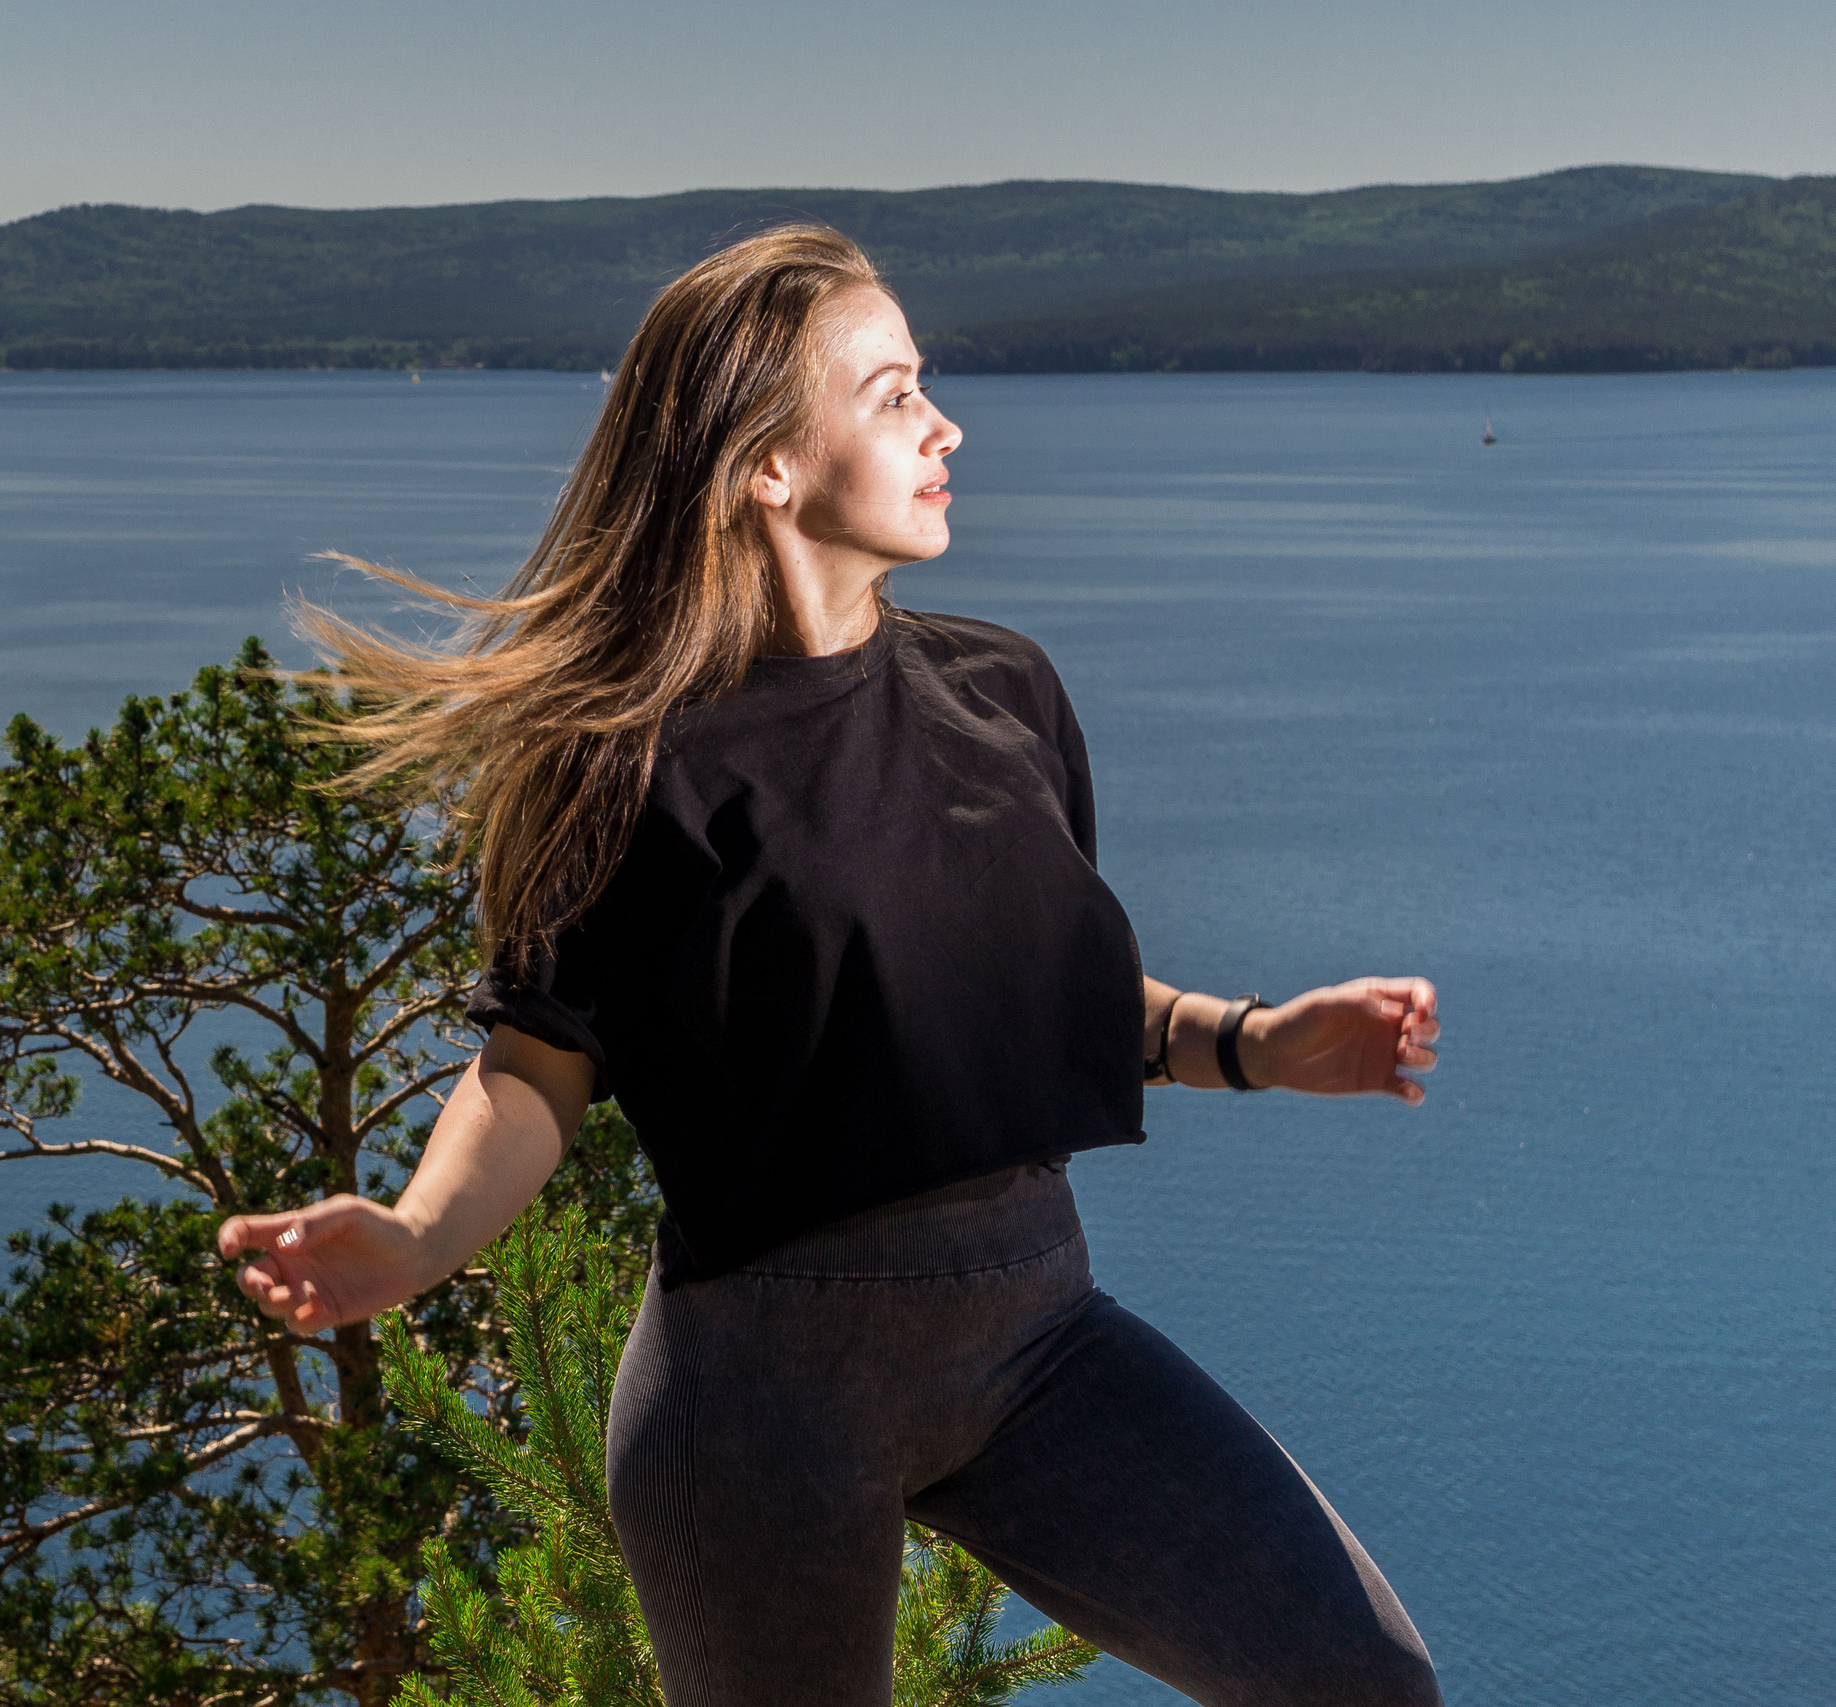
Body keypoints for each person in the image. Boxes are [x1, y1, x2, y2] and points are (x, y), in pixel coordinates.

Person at [218, 226, 1445, 1707]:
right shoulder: (626, 767)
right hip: (759, 1403)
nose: (947, 428)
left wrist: (1250, 1039)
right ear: (767, 468)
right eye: (892, 395)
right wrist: (416, 1241)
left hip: (1041, 1338)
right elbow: (536, 1069)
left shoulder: (1006, 691)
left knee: (1363, 1677)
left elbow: (1002, 992)